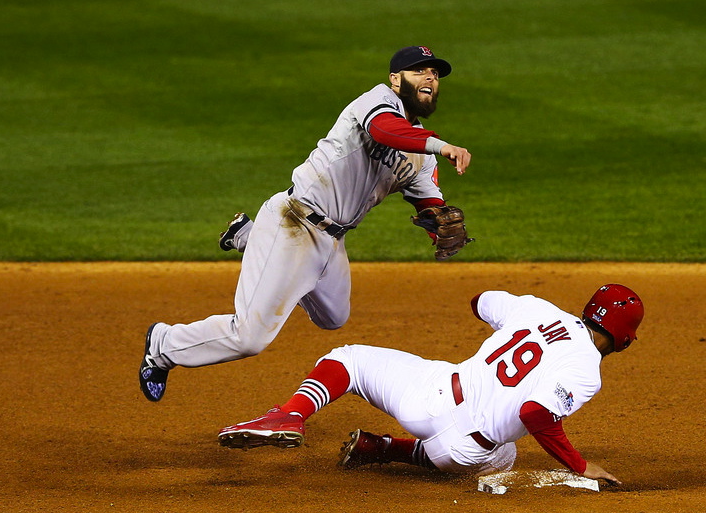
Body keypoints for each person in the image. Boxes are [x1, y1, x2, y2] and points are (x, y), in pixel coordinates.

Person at [139, 46, 474, 402]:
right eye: (420, 71)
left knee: (333, 317)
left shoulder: (420, 154)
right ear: (395, 80)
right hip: (295, 220)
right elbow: (385, 130)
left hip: (332, 241)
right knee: (249, 337)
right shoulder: (376, 102)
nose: (430, 78)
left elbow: (430, 203)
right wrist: (440, 145)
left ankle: (250, 239)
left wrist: (439, 225)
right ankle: (163, 344)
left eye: (435, 74)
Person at [217, 285, 644, 483]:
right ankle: (386, 449)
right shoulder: (587, 372)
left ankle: (290, 414)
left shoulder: (538, 309)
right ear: (625, 336)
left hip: (430, 396)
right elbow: (534, 413)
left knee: (346, 360)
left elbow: (481, 301)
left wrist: (512, 319)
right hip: (458, 451)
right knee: (504, 455)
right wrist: (580, 466)